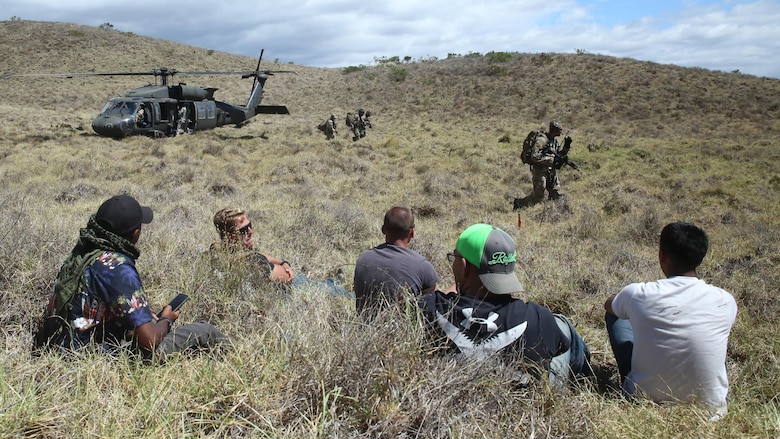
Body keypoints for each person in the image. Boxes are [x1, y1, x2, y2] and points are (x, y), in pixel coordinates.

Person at [34, 195, 230, 359]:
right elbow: (150, 343)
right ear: (136, 232)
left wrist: (135, 322)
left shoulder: (84, 254)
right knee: (205, 330)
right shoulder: (118, 267)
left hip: (62, 348)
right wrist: (167, 320)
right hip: (92, 357)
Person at [419, 223, 591, 387]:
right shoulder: (539, 319)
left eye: (454, 257)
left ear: (463, 266)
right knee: (563, 326)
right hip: (524, 412)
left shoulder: (428, 308)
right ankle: (586, 380)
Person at [604, 222, 737, 418]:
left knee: (616, 316)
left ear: (661, 255)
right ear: (699, 260)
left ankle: (639, 379)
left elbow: (609, 305)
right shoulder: (725, 300)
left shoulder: (638, 293)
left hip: (643, 400)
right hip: (709, 411)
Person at [210, 208, 350, 297]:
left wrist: (283, 262)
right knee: (335, 292)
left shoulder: (218, 251)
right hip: (291, 292)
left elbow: (263, 257)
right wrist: (285, 268)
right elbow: (287, 277)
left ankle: (335, 281)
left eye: (250, 226)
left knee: (316, 281)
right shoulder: (251, 262)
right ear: (230, 236)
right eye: (244, 230)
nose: (251, 231)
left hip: (283, 285)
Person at [354, 207, 440, 315]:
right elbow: (431, 306)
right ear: (412, 232)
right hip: (403, 329)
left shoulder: (363, 258)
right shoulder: (422, 265)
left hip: (364, 328)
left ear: (383, 229)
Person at [513, 120, 572, 210]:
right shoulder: (541, 140)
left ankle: (554, 212)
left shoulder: (554, 142)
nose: (561, 132)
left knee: (556, 193)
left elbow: (558, 155)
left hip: (551, 171)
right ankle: (519, 203)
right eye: (560, 130)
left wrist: (566, 147)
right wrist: (551, 159)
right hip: (539, 170)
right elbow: (534, 156)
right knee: (538, 195)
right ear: (554, 130)